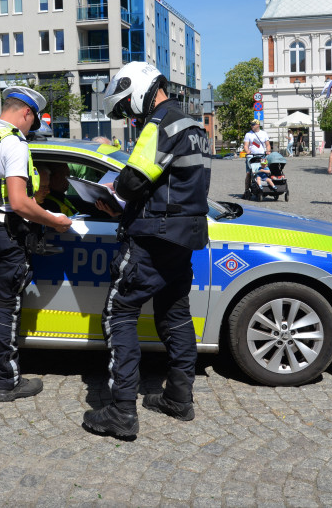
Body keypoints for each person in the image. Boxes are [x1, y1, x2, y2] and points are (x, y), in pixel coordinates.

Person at [82, 62, 210, 439]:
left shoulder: (159, 123)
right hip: (184, 236)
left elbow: (135, 178)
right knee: (175, 312)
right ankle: (179, 397)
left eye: (126, 105)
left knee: (118, 312)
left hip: (153, 236)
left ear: (137, 87)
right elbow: (174, 185)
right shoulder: (193, 126)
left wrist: (111, 196)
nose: (128, 114)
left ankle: (121, 411)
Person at [0, 86, 72, 402]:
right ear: (26, 112)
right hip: (8, 235)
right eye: (32, 121)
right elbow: (21, 204)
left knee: (0, 306)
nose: (30, 128)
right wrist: (55, 220)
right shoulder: (13, 144)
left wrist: (0, 201)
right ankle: (8, 382)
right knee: (8, 308)